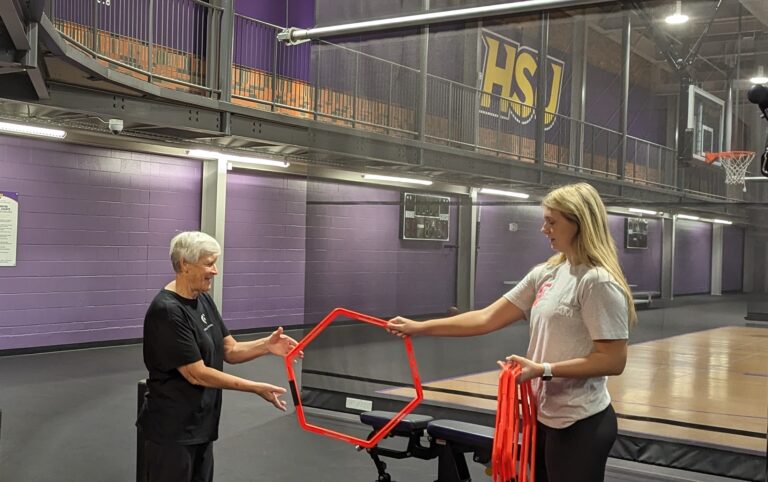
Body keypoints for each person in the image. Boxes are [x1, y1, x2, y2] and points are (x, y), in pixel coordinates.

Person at [387, 183, 635, 482]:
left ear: (579, 223)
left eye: (552, 221)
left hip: (581, 422)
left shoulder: (596, 282)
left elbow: (612, 360)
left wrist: (544, 369)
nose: (544, 229)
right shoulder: (548, 272)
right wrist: (420, 328)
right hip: (543, 417)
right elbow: (486, 318)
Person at [137, 231, 300, 482]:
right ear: (184, 264)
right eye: (209, 263)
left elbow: (229, 350)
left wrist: (266, 345)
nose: (215, 271)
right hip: (172, 432)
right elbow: (196, 373)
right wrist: (254, 387)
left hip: (201, 426)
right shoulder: (167, 311)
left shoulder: (202, 299)